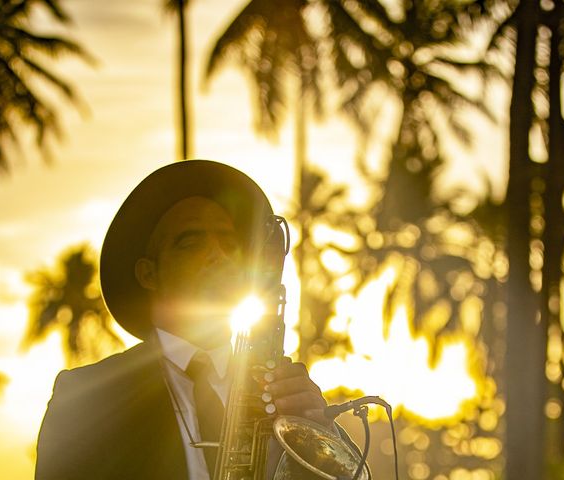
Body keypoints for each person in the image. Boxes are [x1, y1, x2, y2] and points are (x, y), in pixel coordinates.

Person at [35, 160, 353, 480]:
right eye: (191, 242)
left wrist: (322, 432)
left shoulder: (278, 389)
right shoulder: (85, 396)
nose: (219, 255)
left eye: (229, 242)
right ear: (148, 273)